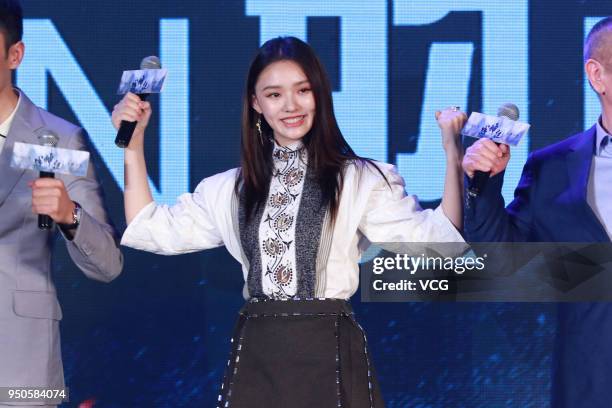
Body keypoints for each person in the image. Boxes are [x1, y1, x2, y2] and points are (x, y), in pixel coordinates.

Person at [114, 36, 465, 408]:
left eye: (303, 90)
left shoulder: (360, 179)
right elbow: (150, 228)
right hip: (258, 352)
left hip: (328, 348)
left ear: (320, 95)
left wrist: (452, 153)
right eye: (275, 94)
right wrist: (133, 147)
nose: (291, 106)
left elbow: (439, 246)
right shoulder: (227, 189)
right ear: (256, 103)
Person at [462, 17, 612, 408]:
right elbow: (502, 262)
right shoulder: (554, 168)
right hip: (591, 385)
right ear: (598, 75)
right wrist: (485, 183)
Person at [0, 1, 123, 407]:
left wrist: (69, 215)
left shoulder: (54, 140)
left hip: (21, 367)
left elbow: (108, 265)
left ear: (15, 54)